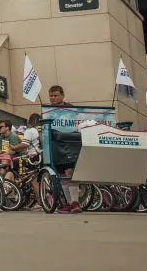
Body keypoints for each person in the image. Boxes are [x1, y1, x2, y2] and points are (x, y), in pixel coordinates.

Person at [47, 85, 81, 213]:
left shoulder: (71, 109)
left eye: (56, 95)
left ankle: (75, 202)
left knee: (69, 172)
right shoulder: (47, 111)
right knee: (60, 174)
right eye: (51, 96)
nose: (53, 98)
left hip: (69, 143)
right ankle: (69, 204)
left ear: (62, 95)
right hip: (55, 145)